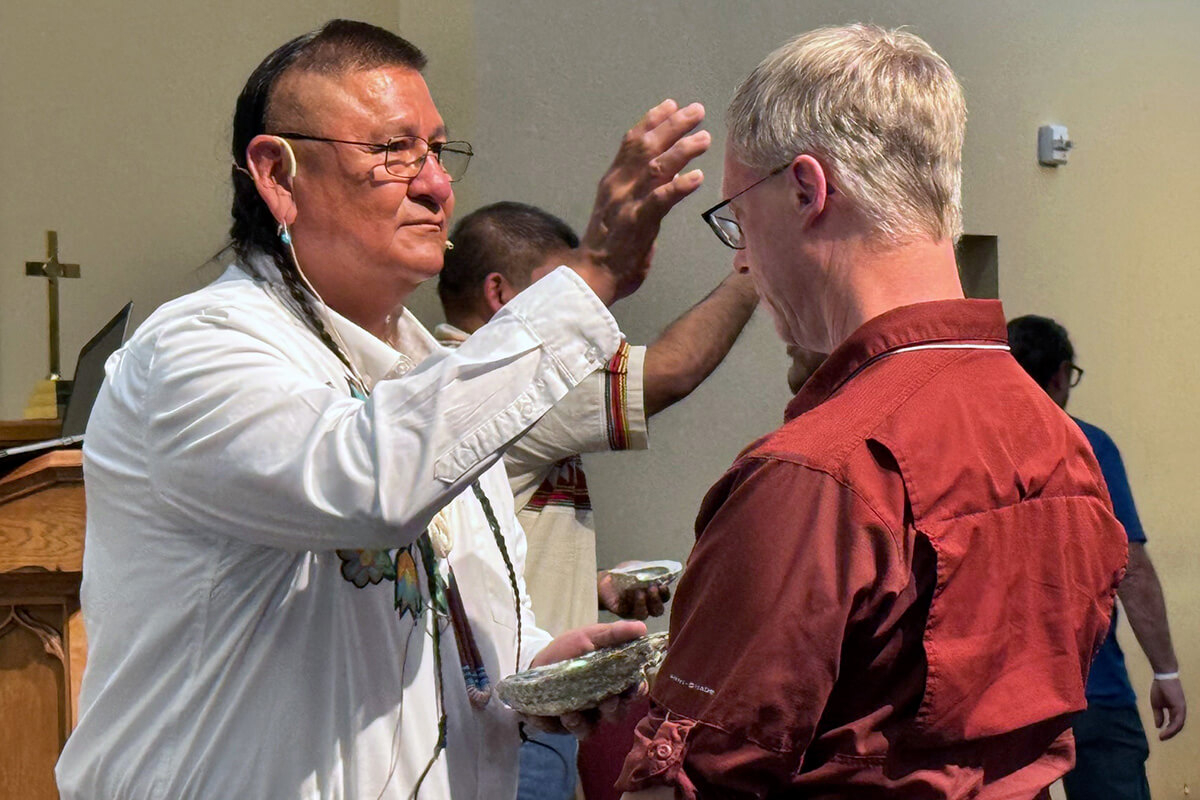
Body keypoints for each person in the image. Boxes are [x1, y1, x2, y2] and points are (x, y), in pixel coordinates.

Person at [55, 20, 714, 800]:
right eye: (393, 151)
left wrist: (534, 669)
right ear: (278, 173)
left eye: (437, 151)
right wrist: (591, 273)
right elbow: (366, 485)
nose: (436, 186)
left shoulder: (432, 378)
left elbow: (442, 611)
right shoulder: (197, 351)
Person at [617, 24, 1128, 799]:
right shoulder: (1060, 442)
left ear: (806, 190)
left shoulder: (819, 474)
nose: (744, 258)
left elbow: (684, 784)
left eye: (739, 221)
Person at [435, 201, 759, 799]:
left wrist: (596, 586)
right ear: (500, 295)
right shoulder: (495, 388)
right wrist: (755, 265)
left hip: (524, 708)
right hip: (517, 716)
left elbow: (487, 561)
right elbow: (672, 371)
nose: (587, 313)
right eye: (563, 293)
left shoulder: (456, 388)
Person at [1008, 314, 1187, 800]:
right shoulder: (1088, 446)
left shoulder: (974, 451)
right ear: (1060, 375)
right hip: (1091, 684)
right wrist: (1166, 671)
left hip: (1001, 694)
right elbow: (1131, 569)